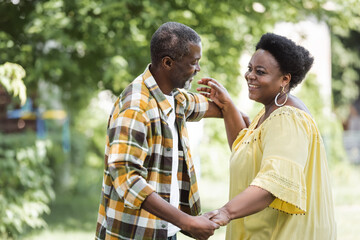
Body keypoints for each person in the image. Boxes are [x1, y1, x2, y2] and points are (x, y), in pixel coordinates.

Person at [197, 33, 336, 239]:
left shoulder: (287, 117)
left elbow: (274, 183)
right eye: (249, 68)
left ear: (285, 79)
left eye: (260, 71)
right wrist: (227, 106)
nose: (250, 75)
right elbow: (245, 150)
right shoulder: (269, 112)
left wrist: (224, 213)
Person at [95, 22, 221, 240]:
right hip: (134, 235)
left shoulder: (174, 98)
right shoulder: (136, 107)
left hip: (163, 232)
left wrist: (228, 104)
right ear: (168, 63)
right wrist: (188, 221)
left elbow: (209, 106)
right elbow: (127, 178)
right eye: (194, 62)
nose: (198, 69)